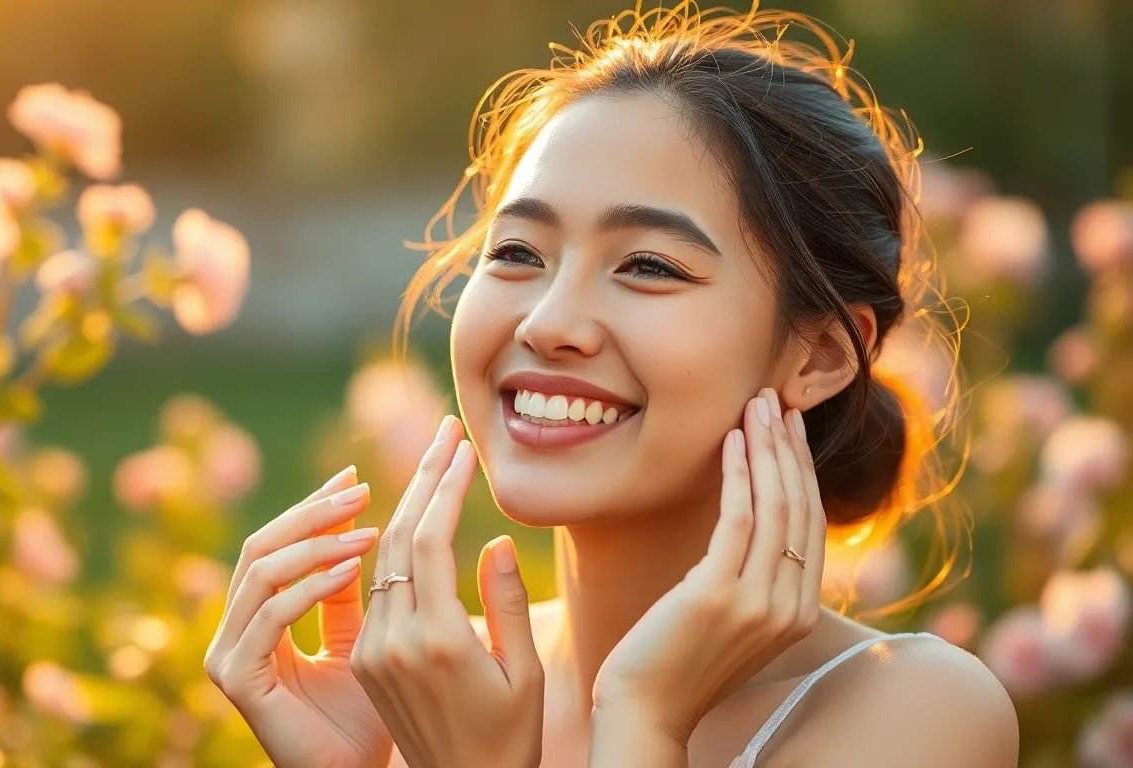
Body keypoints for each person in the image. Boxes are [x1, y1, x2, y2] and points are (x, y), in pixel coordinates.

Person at [204, 4, 1019, 767]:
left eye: (648, 266)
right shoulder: (424, 688)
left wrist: (642, 719)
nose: (548, 322)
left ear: (818, 357)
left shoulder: (916, 708)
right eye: (519, 252)